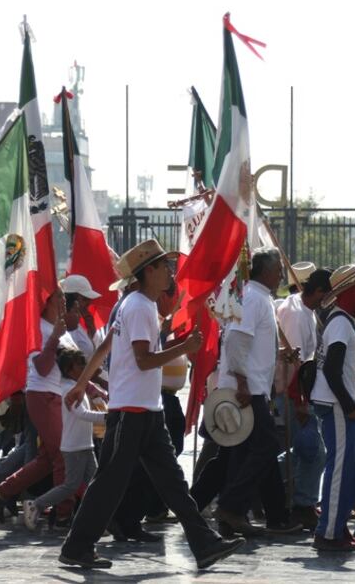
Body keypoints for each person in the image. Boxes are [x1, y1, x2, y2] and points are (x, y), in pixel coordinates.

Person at [59, 239, 244, 570]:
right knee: (110, 484)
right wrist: (184, 346)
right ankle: (77, 546)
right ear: (150, 272)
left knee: (172, 484)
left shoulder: (135, 304)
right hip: (132, 413)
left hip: (145, 411)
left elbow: (106, 351)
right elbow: (144, 360)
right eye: (164, 265)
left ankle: (204, 544)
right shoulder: (141, 307)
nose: (170, 271)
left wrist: (81, 384)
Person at [213, 248, 297, 537]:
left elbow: (252, 343)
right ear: (265, 271)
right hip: (247, 389)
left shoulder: (259, 298)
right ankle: (231, 506)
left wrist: (281, 354)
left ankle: (269, 515)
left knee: (246, 451)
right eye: (278, 271)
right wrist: (243, 383)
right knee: (265, 445)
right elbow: (235, 342)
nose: (281, 276)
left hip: (256, 386)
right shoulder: (253, 298)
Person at [0, 287, 76, 524]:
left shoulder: (60, 329)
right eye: (58, 295)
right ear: (46, 301)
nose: (63, 299)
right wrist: (55, 336)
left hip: (56, 395)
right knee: (62, 455)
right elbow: (43, 367)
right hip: (41, 395)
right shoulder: (37, 329)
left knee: (47, 458)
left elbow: (68, 369)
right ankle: (64, 511)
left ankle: (2, 491)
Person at [312, 264, 355, 551]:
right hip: (340, 405)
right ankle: (329, 532)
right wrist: (348, 405)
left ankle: (336, 519)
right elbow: (331, 369)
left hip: (352, 403)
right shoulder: (340, 323)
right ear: (349, 292)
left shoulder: (345, 320)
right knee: (339, 468)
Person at [275, 266, 333, 529]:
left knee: (301, 452)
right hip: (292, 393)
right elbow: (295, 363)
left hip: (301, 393)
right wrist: (298, 400)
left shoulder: (305, 311)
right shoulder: (297, 315)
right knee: (315, 452)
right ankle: (303, 504)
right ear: (319, 292)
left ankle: (282, 493)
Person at [24, 346, 105, 528]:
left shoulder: (77, 387)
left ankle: (97, 519)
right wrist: (106, 417)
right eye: (80, 366)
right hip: (74, 448)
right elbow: (82, 413)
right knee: (71, 486)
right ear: (69, 369)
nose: (84, 369)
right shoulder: (69, 389)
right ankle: (36, 504)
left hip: (85, 445)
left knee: (95, 482)